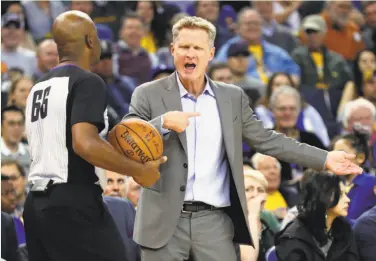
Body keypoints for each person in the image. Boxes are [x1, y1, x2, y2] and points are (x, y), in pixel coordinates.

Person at [124, 16, 362, 261]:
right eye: (184, 47)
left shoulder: (232, 97)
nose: (190, 54)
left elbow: (268, 140)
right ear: (173, 50)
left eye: (198, 48)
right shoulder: (147, 94)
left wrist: (324, 158)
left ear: (211, 53)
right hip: (163, 221)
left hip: (214, 221)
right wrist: (161, 124)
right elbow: (123, 139)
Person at [23, 10, 166, 261]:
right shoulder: (88, 81)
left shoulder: (37, 87)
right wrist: (139, 170)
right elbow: (84, 143)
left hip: (35, 204)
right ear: (90, 40)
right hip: (73, 201)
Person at [275, 170, 358, 261]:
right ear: (323, 197)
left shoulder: (344, 229)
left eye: (345, 194)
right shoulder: (293, 238)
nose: (348, 200)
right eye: (341, 195)